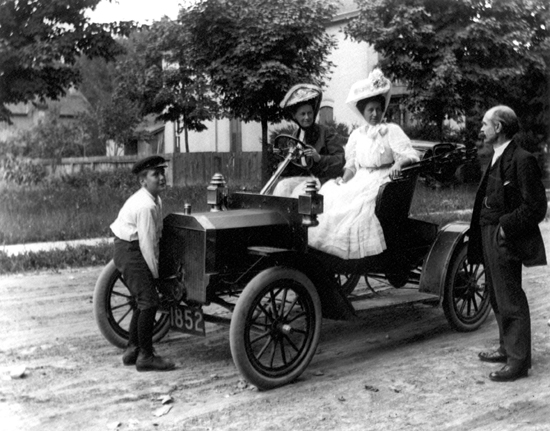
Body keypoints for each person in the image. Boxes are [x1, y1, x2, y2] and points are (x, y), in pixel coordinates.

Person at [469, 105, 547, 382]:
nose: (481, 128)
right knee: (495, 293)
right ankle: (506, 347)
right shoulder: (496, 155)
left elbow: (537, 206)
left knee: (510, 297)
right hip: (488, 230)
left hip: (504, 235)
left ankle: (518, 361)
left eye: (485, 124)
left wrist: (505, 228)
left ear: (499, 128)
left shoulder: (522, 159)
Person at [308, 69, 419, 259]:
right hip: (361, 178)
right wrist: (344, 179)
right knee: (333, 196)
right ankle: (326, 251)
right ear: (363, 112)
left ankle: (356, 252)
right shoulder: (357, 135)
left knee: (358, 211)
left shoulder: (391, 130)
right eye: (370, 110)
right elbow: (352, 165)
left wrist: (398, 165)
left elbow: (410, 155)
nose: (375, 114)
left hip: (381, 179)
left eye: (378, 109)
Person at [110, 155, 176, 372]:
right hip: (129, 250)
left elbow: (155, 237)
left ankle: (132, 350)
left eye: (162, 173)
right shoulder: (145, 206)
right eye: (155, 174)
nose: (161, 177)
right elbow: (148, 246)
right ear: (142, 181)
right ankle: (146, 356)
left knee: (142, 300)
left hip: (128, 248)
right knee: (149, 301)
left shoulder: (154, 200)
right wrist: (156, 277)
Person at [272, 84, 345, 197]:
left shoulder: (326, 132)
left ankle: (298, 215)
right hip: (304, 179)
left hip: (323, 180)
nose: (307, 117)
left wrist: (319, 158)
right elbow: (297, 167)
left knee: (300, 193)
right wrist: (282, 159)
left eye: (309, 113)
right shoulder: (295, 136)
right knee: (282, 187)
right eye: (302, 114)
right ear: (295, 116)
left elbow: (340, 160)